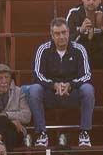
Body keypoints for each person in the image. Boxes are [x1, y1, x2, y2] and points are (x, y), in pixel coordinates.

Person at [28, 17, 95, 148]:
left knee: (88, 89)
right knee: (34, 89)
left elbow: (86, 75)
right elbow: (37, 74)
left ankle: (85, 132)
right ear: (52, 35)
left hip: (72, 92)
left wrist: (70, 85)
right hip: (51, 93)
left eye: (64, 32)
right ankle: (41, 133)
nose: (61, 36)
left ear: (69, 32)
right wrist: (54, 85)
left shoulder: (79, 49)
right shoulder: (43, 49)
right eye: (57, 34)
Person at [64, 0, 103, 79]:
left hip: (100, 53)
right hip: (81, 53)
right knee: (69, 54)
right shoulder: (74, 13)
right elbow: (67, 41)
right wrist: (80, 31)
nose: (91, 2)